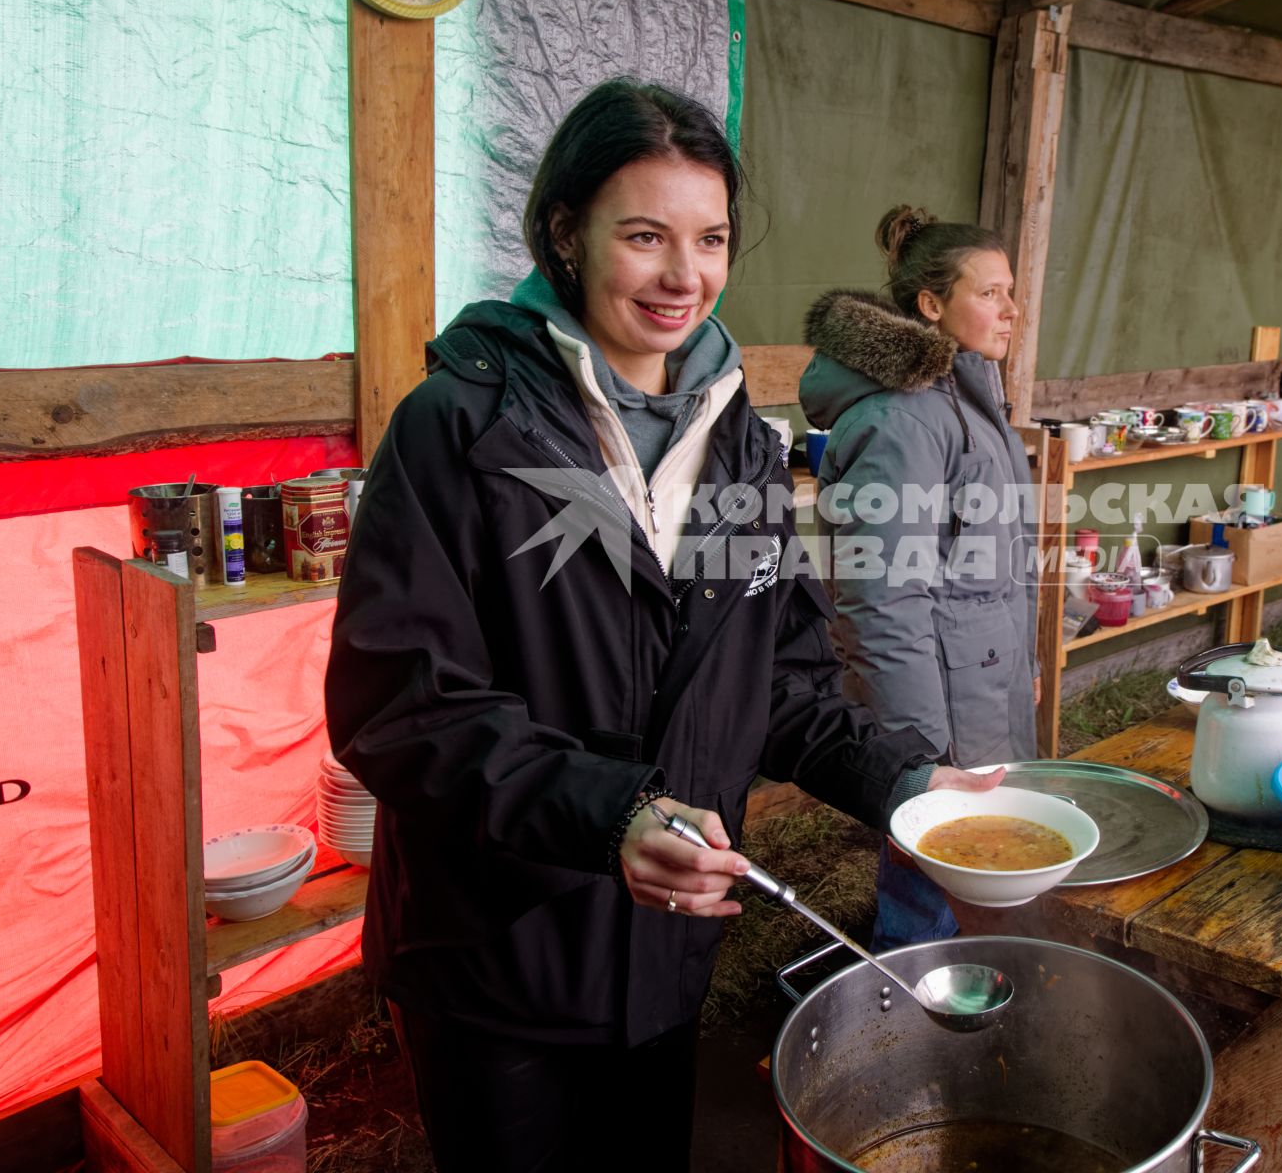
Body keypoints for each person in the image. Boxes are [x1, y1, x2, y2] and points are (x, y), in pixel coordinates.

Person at [324, 82, 998, 1172]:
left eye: (711, 239)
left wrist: (909, 787)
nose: (684, 275)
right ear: (565, 232)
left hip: (667, 947)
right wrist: (608, 815)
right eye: (645, 236)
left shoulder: (738, 444)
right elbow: (400, 701)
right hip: (502, 954)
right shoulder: (459, 424)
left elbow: (777, 678)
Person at [798, 206, 1040, 951]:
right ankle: (906, 998)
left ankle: (972, 977)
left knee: (980, 854)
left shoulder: (976, 402)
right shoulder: (901, 421)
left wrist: (1023, 665)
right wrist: (918, 752)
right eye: (991, 293)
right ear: (932, 305)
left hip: (984, 679)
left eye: (1011, 292)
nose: (1012, 309)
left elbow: (1000, 560)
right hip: (936, 695)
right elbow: (881, 600)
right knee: (929, 856)